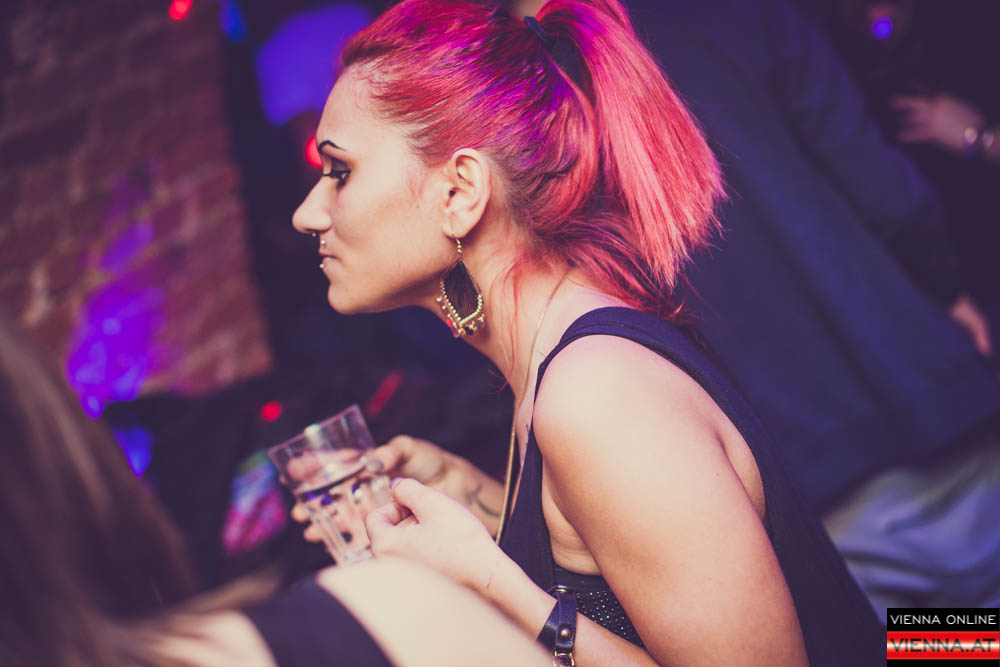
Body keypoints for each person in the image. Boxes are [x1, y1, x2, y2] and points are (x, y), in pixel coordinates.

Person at [290, 0, 883, 664]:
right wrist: (472, 497)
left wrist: (488, 584)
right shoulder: (559, 358)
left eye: (339, 172)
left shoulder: (597, 395)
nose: (306, 214)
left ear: (459, 193)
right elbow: (614, 579)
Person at [599, 0, 1000, 619]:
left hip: (799, 462)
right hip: (915, 385)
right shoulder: (738, 14)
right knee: (978, 621)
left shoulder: (549, 89)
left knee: (931, 644)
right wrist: (945, 288)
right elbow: (878, 185)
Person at [0, 308, 549, 667]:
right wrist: (473, 575)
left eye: (340, 175)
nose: (306, 215)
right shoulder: (368, 615)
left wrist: (472, 495)